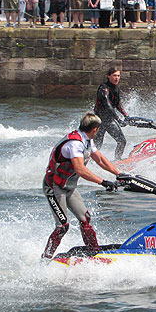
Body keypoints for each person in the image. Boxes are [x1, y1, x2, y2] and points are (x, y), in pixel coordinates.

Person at [41, 112, 120, 261]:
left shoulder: (87, 140)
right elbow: (80, 169)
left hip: (69, 187)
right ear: (95, 129)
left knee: (85, 218)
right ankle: (45, 258)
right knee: (63, 226)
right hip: (54, 187)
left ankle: (94, 253)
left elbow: (101, 159)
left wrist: (119, 174)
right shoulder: (75, 144)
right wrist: (103, 182)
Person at [94, 67, 129, 160]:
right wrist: (118, 118)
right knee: (97, 144)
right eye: (114, 76)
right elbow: (107, 104)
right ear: (108, 76)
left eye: (118, 76)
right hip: (99, 120)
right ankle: (89, 162)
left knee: (122, 141)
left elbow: (118, 104)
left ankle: (117, 160)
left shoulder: (116, 88)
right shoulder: (103, 88)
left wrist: (126, 115)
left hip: (109, 120)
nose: (116, 78)